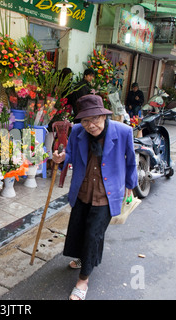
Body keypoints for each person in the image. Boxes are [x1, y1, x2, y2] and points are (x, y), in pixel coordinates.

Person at [52, 94, 138, 300]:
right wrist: (62, 158)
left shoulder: (123, 131)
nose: (91, 125)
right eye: (85, 120)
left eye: (95, 119)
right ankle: (84, 259)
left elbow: (131, 161)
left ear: (103, 115)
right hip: (82, 190)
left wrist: (130, 184)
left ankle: (83, 280)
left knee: (93, 234)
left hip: (106, 193)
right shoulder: (78, 132)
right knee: (79, 229)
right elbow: (71, 155)